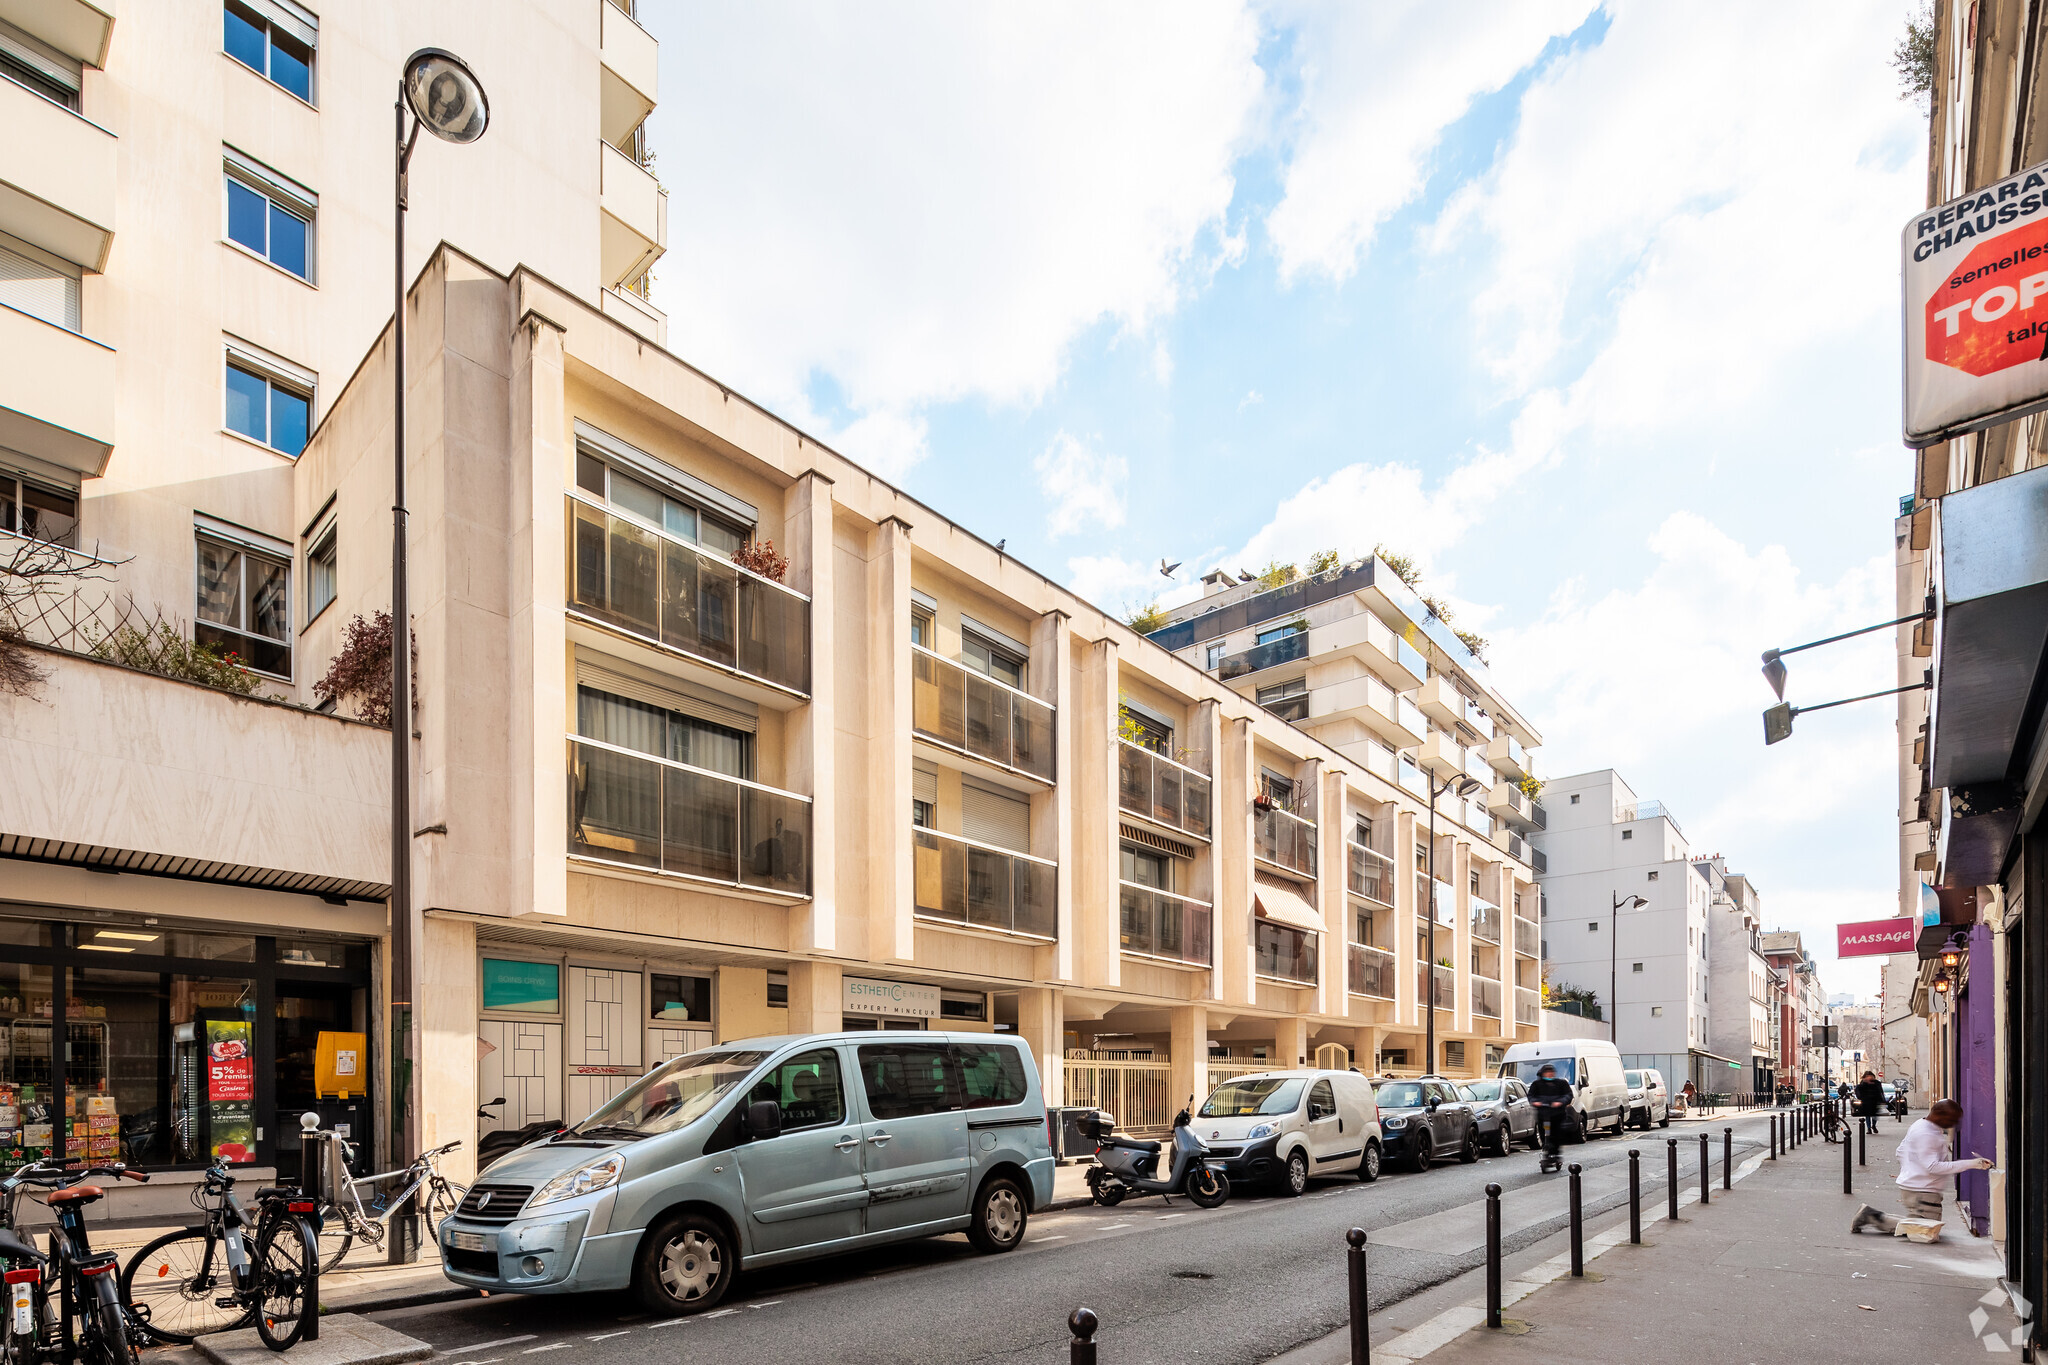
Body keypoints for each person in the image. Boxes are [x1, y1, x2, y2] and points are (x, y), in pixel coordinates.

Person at [1850, 1099, 1991, 1235]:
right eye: (1952, 1119)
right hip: (1923, 1190)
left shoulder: (1921, 1125)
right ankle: (1871, 1216)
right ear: (1939, 1115)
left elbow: (1900, 1151)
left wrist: (1911, 1169)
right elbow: (1933, 1167)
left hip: (1917, 1187)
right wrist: (1973, 1164)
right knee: (1924, 1230)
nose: (1954, 1124)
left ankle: (1871, 1215)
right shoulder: (1927, 1133)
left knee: (1924, 1227)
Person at [1528, 1064, 1573, 1170]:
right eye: (1547, 1072)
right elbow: (1531, 1096)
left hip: (1557, 1115)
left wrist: (1560, 1102)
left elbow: (1568, 1095)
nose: (1550, 1074)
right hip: (1543, 1115)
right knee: (1544, 1134)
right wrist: (1535, 1102)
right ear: (1542, 1074)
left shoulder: (1561, 1083)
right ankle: (1546, 1149)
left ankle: (1556, 1153)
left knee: (1557, 1134)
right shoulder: (1537, 1084)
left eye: (1551, 1072)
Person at [1854, 1071, 1885, 1135]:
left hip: (1875, 1101)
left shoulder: (1877, 1083)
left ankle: (1873, 1125)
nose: (1869, 1077)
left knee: (1874, 1115)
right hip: (1866, 1101)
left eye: (1870, 1076)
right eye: (1867, 1076)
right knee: (1867, 1115)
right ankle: (1869, 1128)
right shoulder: (1863, 1083)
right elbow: (1858, 1091)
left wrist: (1882, 1100)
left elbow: (1880, 1091)